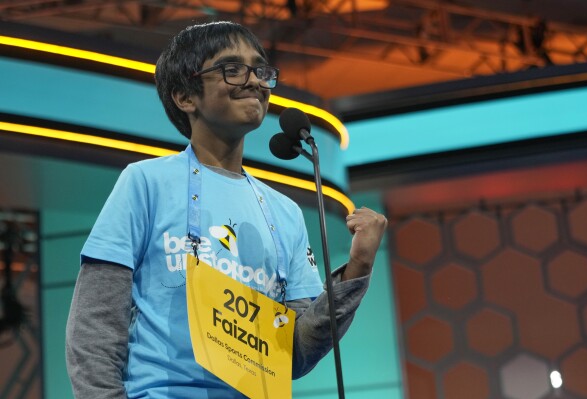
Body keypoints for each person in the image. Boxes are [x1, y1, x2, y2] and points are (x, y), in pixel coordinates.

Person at [65, 21, 387, 399]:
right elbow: (95, 327)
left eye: (261, 71)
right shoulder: (146, 182)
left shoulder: (285, 212)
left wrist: (357, 270)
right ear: (186, 96)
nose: (253, 81)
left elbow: (295, 353)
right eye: (232, 69)